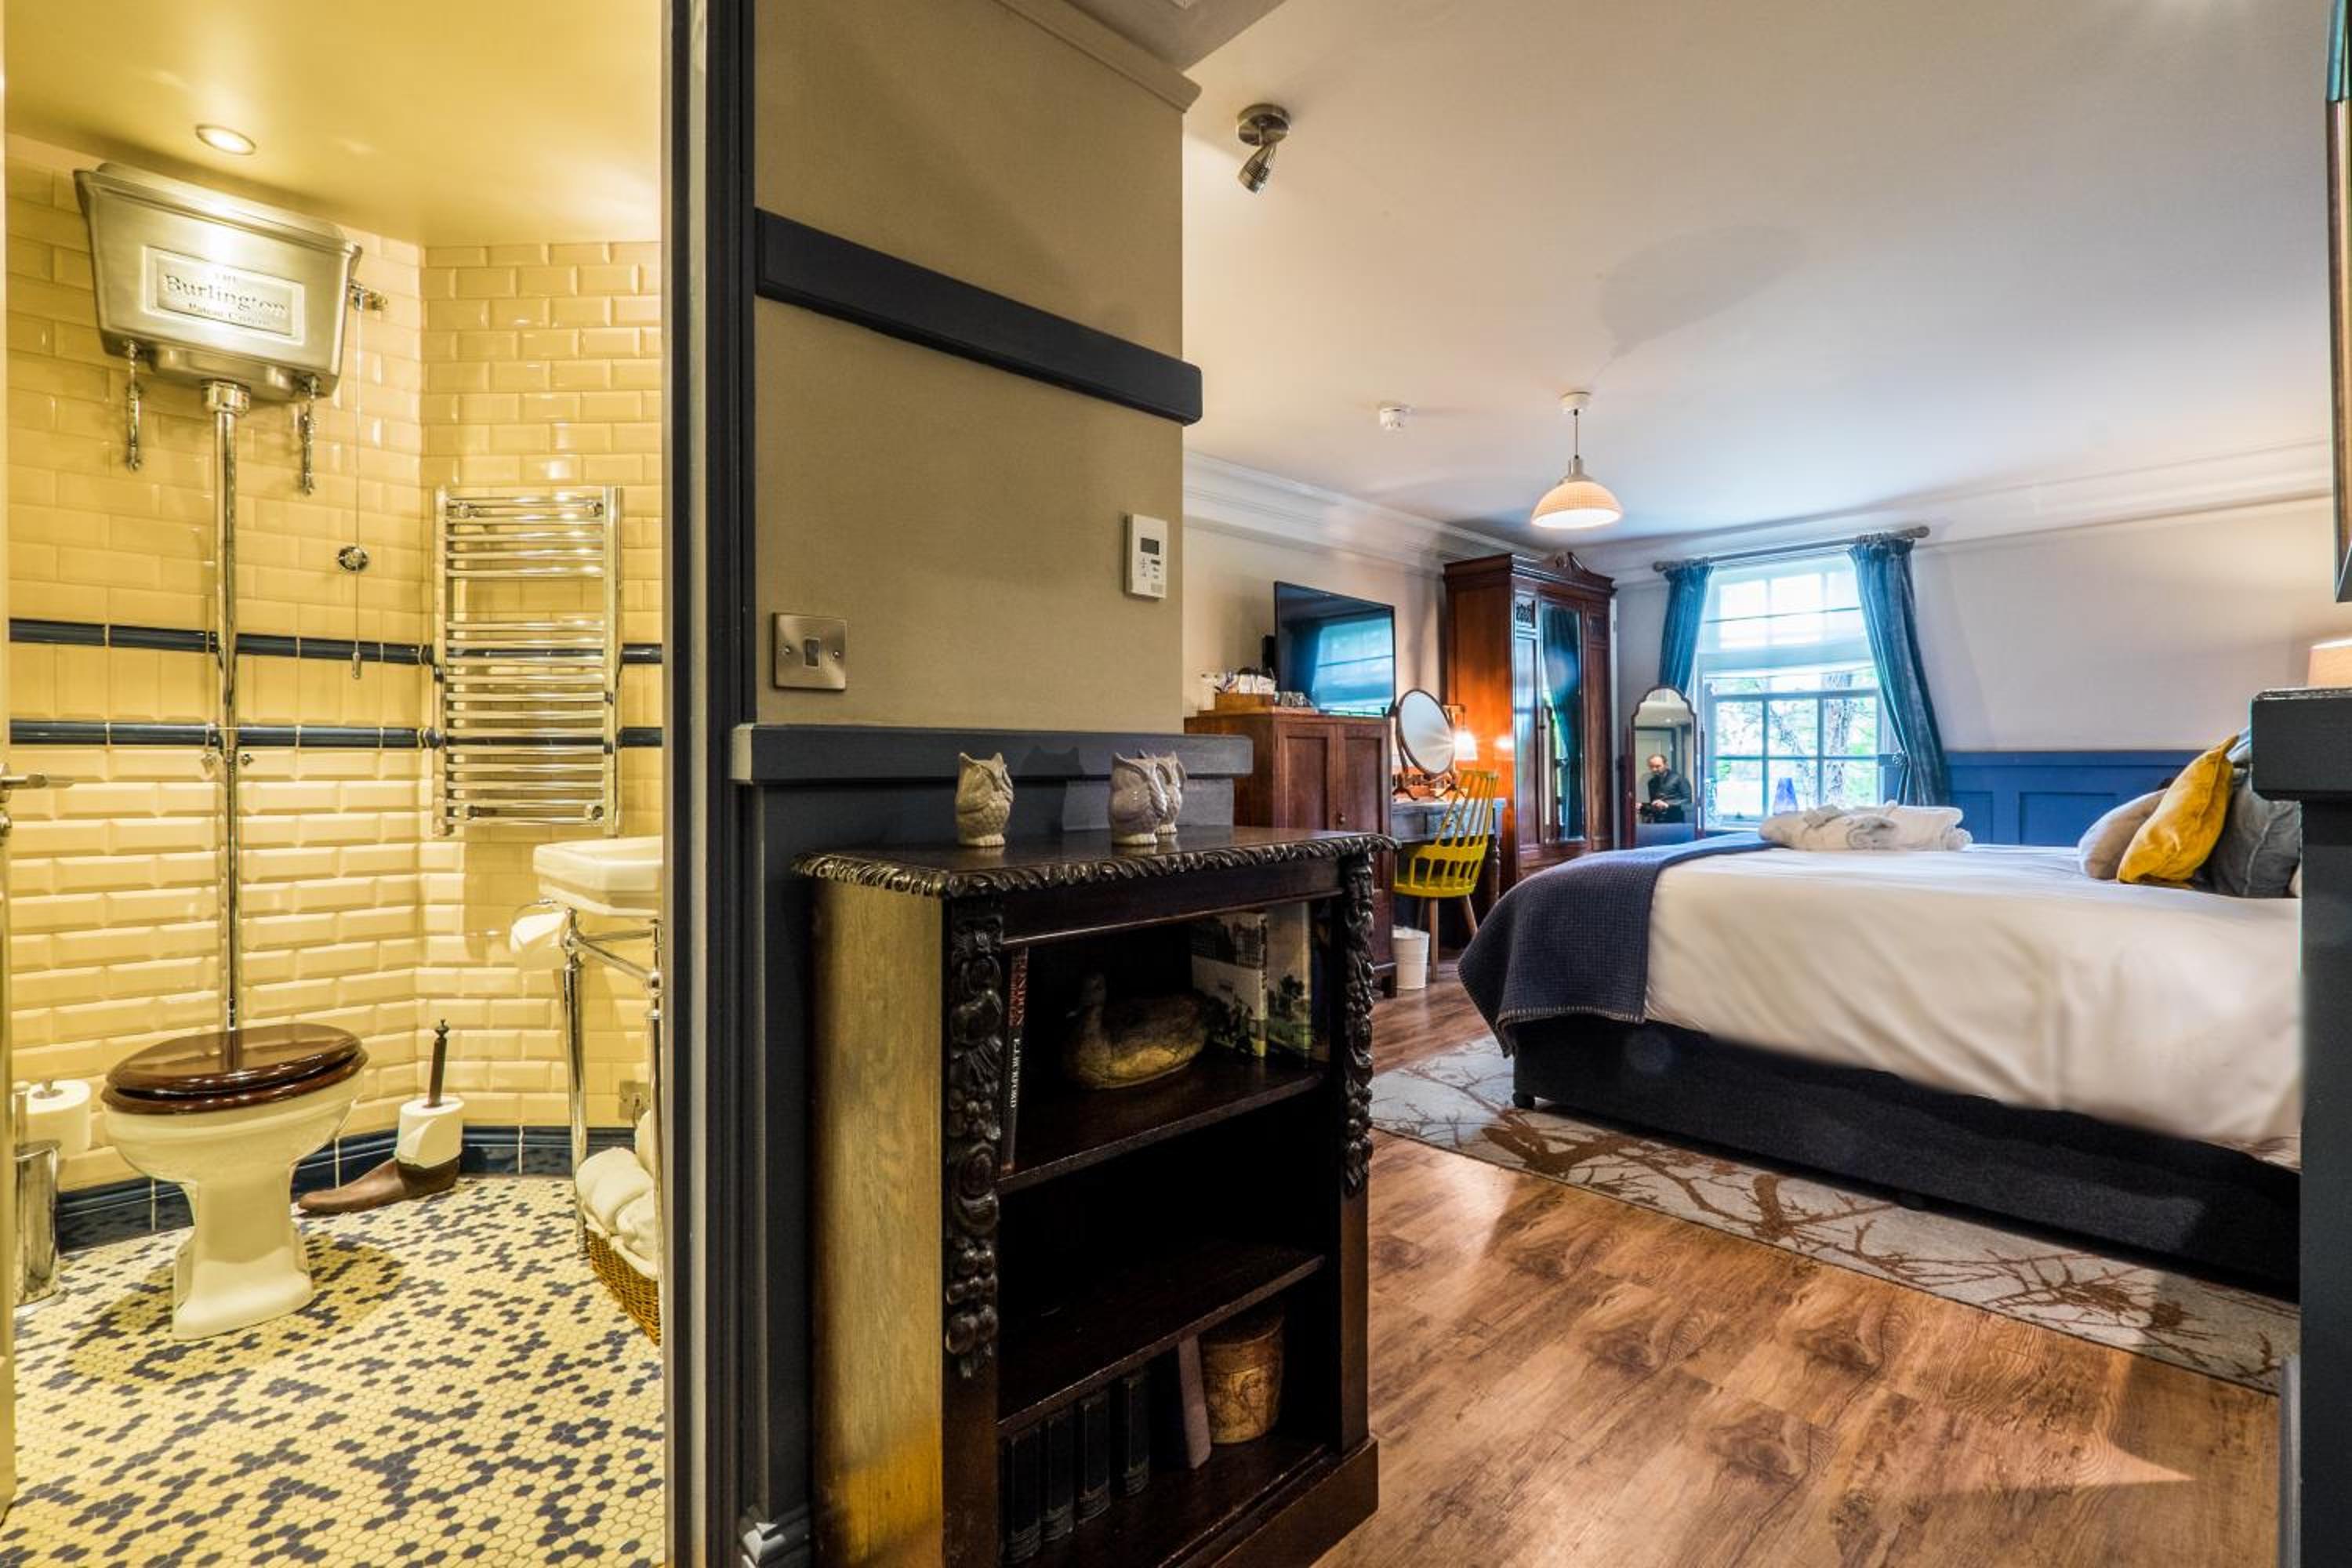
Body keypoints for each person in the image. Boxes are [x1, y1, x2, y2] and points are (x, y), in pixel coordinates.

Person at [1639, 753, 1691, 824]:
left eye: (1658, 766)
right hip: (1658, 821)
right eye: (1651, 767)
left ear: (1666, 765)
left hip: (1676, 820)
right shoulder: (1651, 782)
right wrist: (1643, 807)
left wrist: (1667, 805)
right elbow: (1654, 804)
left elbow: (1688, 800)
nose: (1654, 769)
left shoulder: (1679, 779)